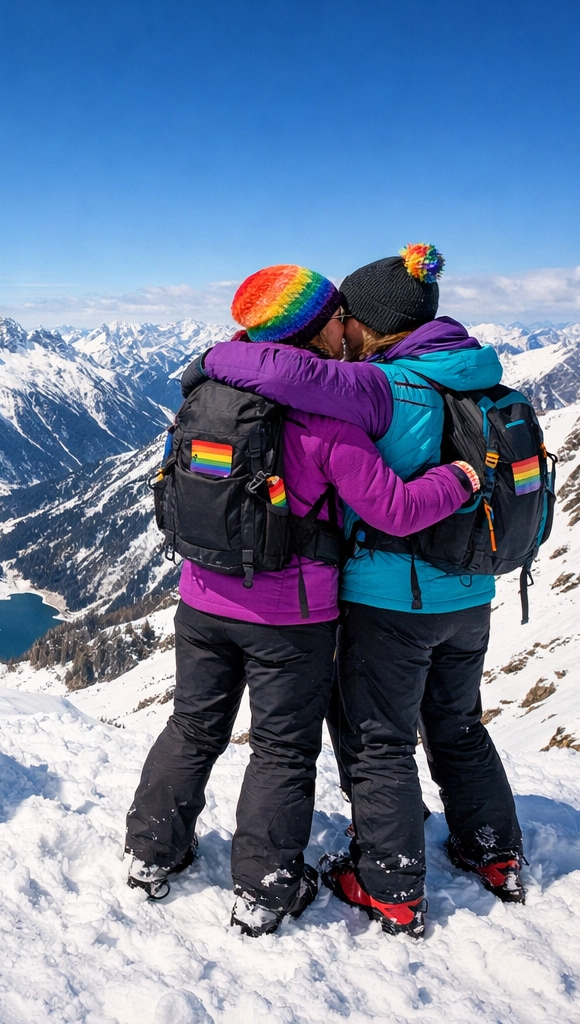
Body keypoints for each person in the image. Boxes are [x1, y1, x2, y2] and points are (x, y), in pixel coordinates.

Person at [125, 264, 483, 936]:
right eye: (335, 316)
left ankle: (151, 851)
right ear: (316, 327)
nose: (345, 327)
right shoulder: (326, 419)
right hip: (290, 617)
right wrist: (460, 479)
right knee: (282, 751)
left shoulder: (209, 391)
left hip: (202, 598)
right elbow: (397, 509)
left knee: (192, 727)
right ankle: (264, 889)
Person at [198, 244, 526, 937]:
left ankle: (391, 885)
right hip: (468, 594)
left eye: (350, 317)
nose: (342, 330)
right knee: (460, 727)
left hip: (389, 599)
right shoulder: (479, 376)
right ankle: (495, 854)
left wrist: (213, 355)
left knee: (379, 742)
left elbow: (272, 363)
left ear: (371, 324)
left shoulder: (381, 386)